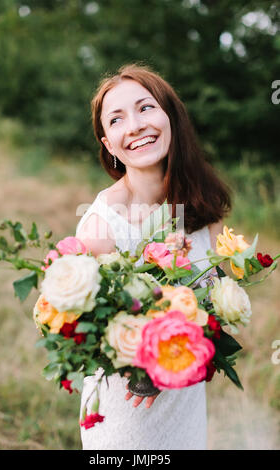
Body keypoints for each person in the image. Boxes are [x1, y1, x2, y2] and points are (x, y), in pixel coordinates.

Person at [75, 63, 232, 450]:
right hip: (127, 408)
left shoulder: (202, 204)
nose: (135, 125)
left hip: (185, 397)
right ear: (109, 144)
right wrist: (146, 369)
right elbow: (87, 334)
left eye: (145, 108)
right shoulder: (101, 227)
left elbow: (217, 300)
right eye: (117, 119)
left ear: (171, 118)